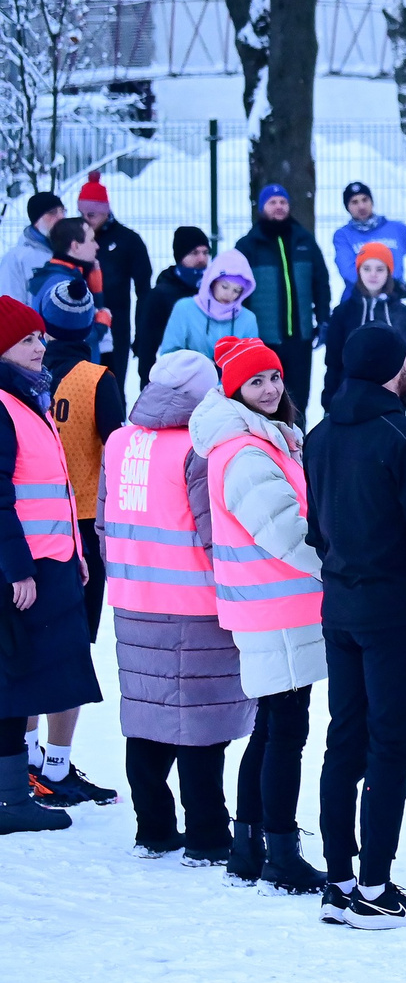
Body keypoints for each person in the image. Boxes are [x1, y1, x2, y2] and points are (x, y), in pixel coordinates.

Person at [304, 322, 406, 926]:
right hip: (395, 615)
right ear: (396, 369)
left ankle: (339, 880)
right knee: (391, 748)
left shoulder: (317, 435)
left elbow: (315, 530)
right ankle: (374, 886)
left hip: (338, 608)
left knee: (345, 739)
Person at [193, 335, 328, 892]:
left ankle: (249, 846)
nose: (270, 389)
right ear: (235, 391)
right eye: (256, 382)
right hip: (277, 604)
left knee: (271, 726)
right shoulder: (246, 453)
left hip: (272, 602)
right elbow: (286, 534)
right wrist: (339, 566)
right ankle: (281, 851)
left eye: (274, 377)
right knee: (285, 732)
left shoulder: (264, 441)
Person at [104, 350, 249, 859]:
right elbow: (215, 535)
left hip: (132, 598)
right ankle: (209, 836)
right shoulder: (198, 449)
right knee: (200, 724)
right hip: (195, 603)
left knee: (147, 714)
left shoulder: (120, 442)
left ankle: (154, 829)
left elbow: (104, 520)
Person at [0, 294, 108, 832]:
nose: (40, 346)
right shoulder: (3, 404)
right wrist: (17, 567)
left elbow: (52, 489)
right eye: (27, 339)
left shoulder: (27, 397)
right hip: (27, 571)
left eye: (41, 336)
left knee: (42, 676)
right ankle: (13, 797)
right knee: (17, 678)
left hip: (55, 559)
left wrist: (76, 551)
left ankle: (26, 786)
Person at [41, 275, 122, 643]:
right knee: (79, 627)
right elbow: (116, 447)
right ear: (89, 325)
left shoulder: (23, 375)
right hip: (86, 514)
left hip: (33, 514)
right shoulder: (97, 379)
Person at [239, 184, 331, 411]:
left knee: (299, 400)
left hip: (300, 338)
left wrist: (323, 319)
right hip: (264, 341)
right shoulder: (248, 246)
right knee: (267, 400)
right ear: (262, 208)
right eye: (272, 202)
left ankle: (299, 443)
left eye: (283, 202)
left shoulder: (305, 242)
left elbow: (320, 283)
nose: (278, 206)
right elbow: (238, 294)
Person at [320, 241, 406, 416]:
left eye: (379, 269)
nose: (373, 274)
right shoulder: (344, 312)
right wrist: (329, 403)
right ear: (358, 271)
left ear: (389, 272)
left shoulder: (400, 312)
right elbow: (333, 361)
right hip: (350, 402)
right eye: (366, 268)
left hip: (392, 403)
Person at [75, 178, 153, 386]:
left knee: (113, 385)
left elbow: (144, 290)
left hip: (116, 325)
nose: (85, 219)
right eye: (81, 214)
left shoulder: (128, 240)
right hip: (79, 323)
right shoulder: (73, 239)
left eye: (91, 214)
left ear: (106, 211)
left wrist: (141, 333)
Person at [135, 225, 211, 385]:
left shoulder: (214, 289)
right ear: (180, 256)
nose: (201, 259)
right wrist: (148, 384)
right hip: (177, 377)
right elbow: (147, 343)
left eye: (205, 252)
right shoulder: (161, 294)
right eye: (194, 253)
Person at [30, 217, 110, 363]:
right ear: (75, 246)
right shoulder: (63, 285)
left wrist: (97, 292)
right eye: (91, 240)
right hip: (69, 373)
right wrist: (101, 326)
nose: (97, 246)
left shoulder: (56, 276)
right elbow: (72, 337)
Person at [330, 181, 406, 297]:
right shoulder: (343, 236)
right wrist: (386, 285)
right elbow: (347, 270)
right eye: (354, 202)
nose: (361, 206)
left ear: (372, 202)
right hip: (357, 301)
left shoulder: (397, 229)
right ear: (347, 207)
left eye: (365, 200)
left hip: (392, 301)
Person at [0, 192, 62, 305]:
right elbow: (10, 307)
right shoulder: (15, 259)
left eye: (62, 211)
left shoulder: (69, 252)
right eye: (52, 213)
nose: (60, 217)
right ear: (37, 221)